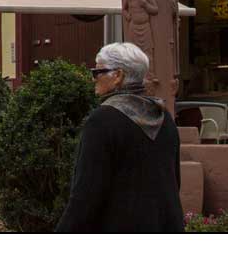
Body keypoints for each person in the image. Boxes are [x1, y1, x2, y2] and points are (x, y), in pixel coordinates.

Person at [56, 42, 183, 233]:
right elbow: (174, 181)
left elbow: (86, 194)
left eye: (97, 71)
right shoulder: (164, 118)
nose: (93, 78)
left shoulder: (102, 120)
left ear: (117, 76)